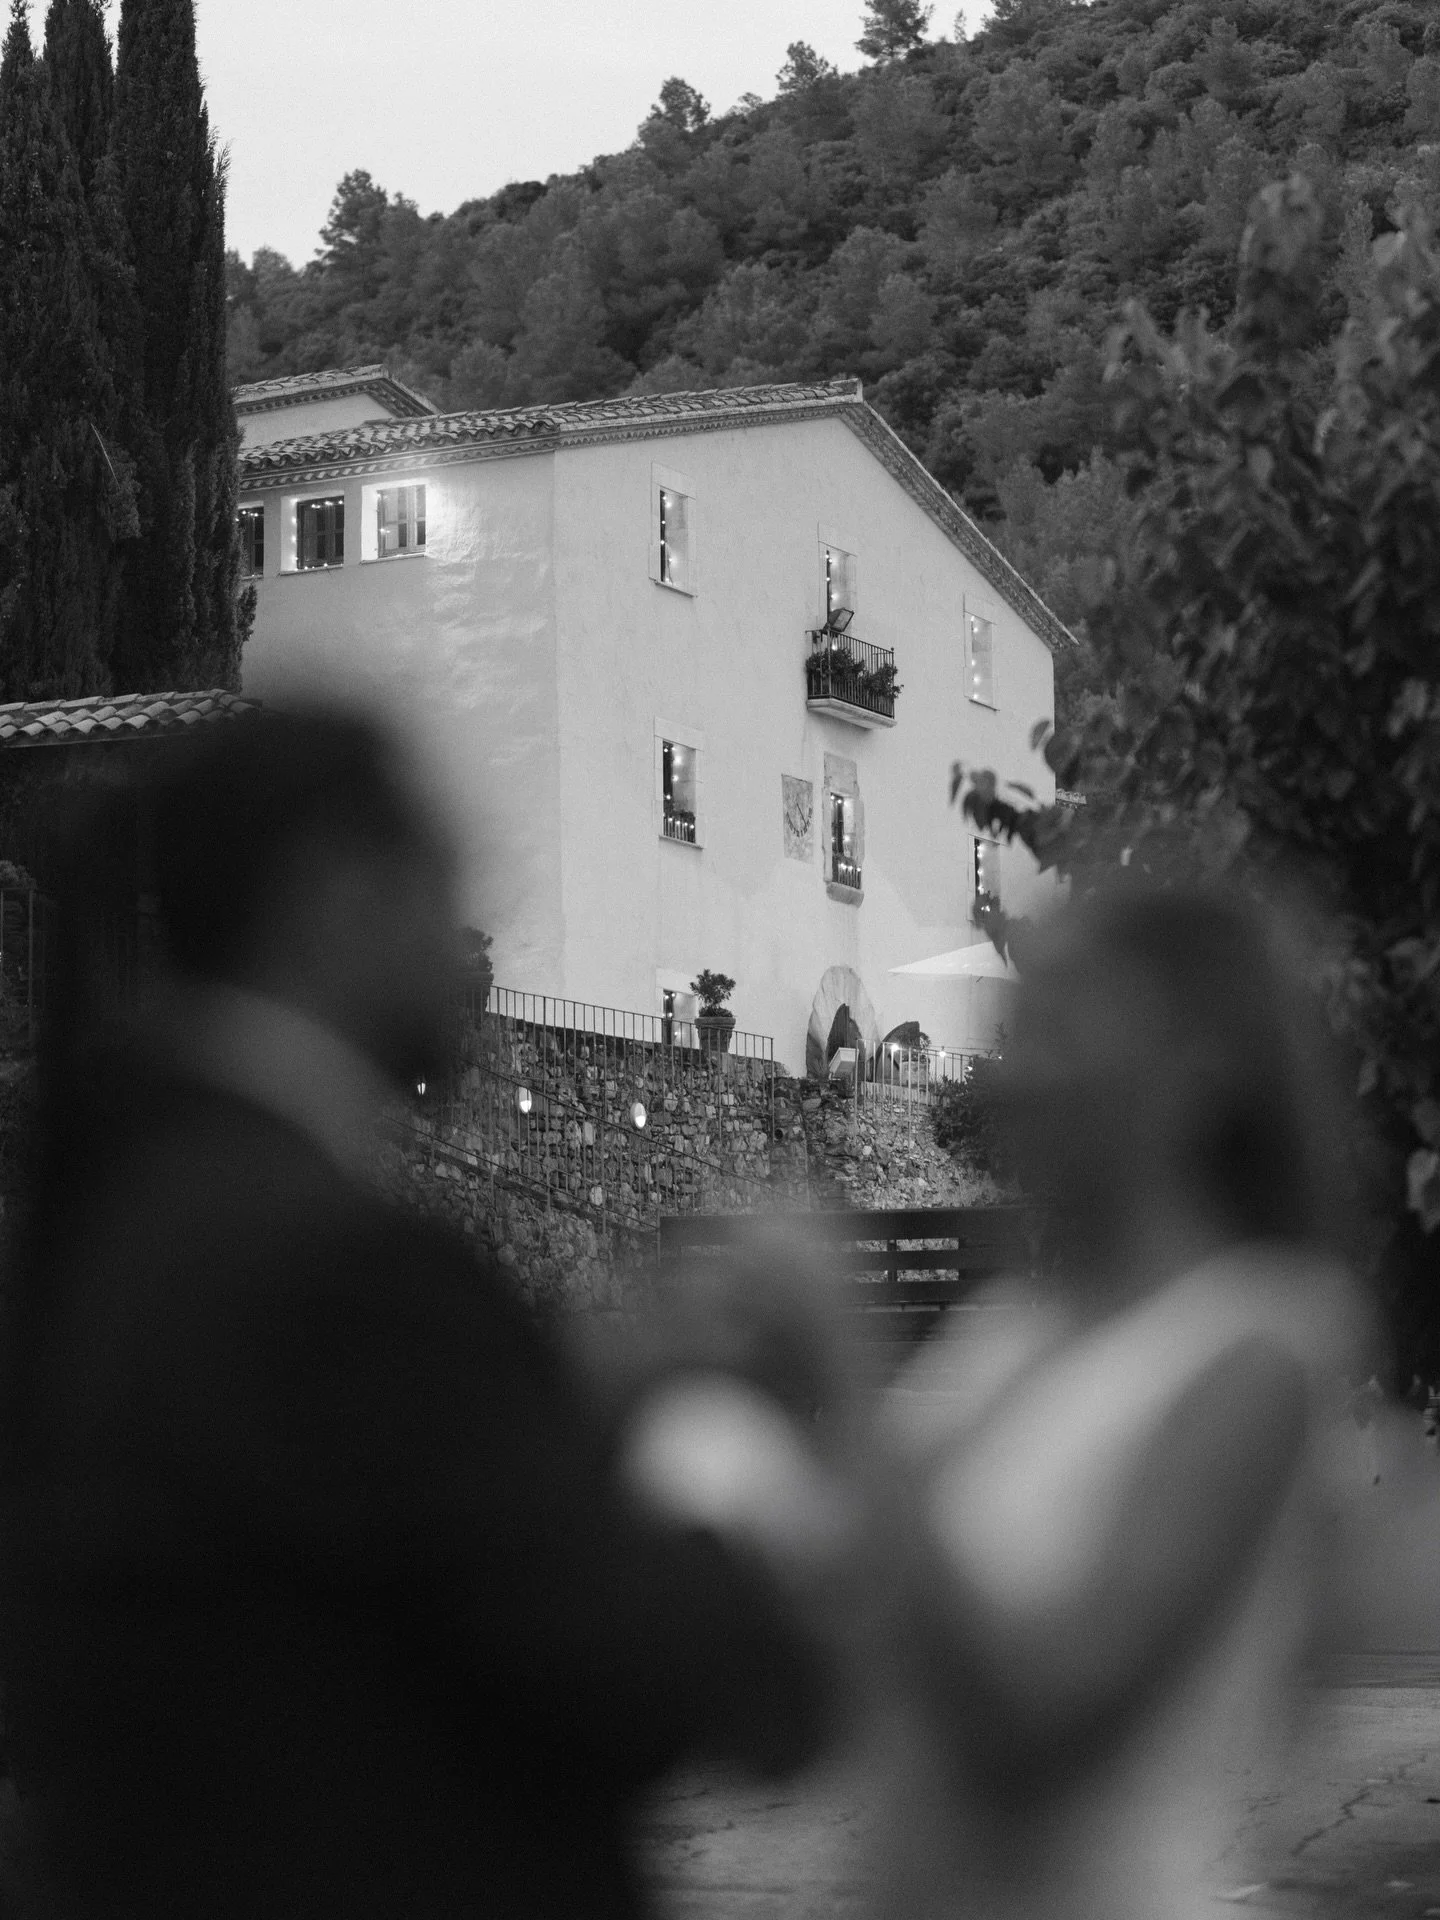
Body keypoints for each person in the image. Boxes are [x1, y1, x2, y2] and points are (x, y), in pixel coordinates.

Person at [0, 706, 835, 1920]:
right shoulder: (353, 1272)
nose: (462, 951)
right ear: (335, 895)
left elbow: (359, 1544)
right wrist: (752, 1465)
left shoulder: (111, 1216)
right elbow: (677, 1679)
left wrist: (565, 1391)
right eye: (440, 887)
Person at [868, 883, 1371, 1920]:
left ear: (1196, 1071)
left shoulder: (1261, 1340)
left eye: (1058, 1023)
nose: (1012, 1072)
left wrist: (836, 1396)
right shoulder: (1009, 1329)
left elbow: (1042, 1720)